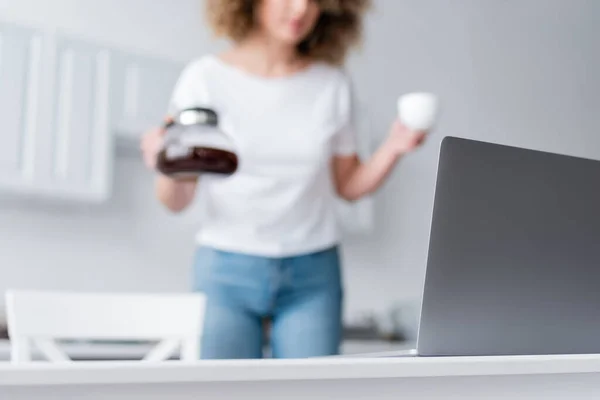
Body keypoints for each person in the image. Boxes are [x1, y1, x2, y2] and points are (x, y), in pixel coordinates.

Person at [141, 0, 426, 359]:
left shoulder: (331, 83)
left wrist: (394, 148)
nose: (300, 9)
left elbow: (349, 186)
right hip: (226, 268)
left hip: (312, 272)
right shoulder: (204, 79)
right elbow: (175, 200)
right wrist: (164, 161)